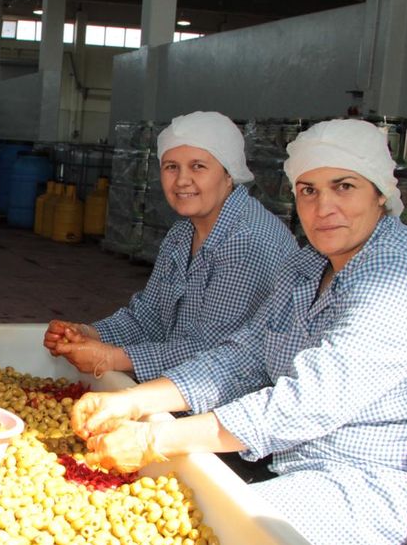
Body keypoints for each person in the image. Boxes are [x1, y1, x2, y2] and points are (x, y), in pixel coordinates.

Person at [70, 119, 407, 545]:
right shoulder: (311, 263)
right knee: (171, 507)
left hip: (382, 495)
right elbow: (246, 355)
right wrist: (133, 400)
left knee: (198, 529)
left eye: (344, 186)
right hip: (304, 464)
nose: (323, 207)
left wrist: (154, 439)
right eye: (308, 190)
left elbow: (306, 404)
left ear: (380, 194)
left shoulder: (402, 274)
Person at [44, 111, 296, 379]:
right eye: (171, 167)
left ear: (229, 173)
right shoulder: (181, 235)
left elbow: (214, 352)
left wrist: (112, 358)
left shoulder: (248, 241)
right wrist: (88, 333)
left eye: (198, 166)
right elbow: (149, 317)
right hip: (182, 386)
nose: (182, 180)